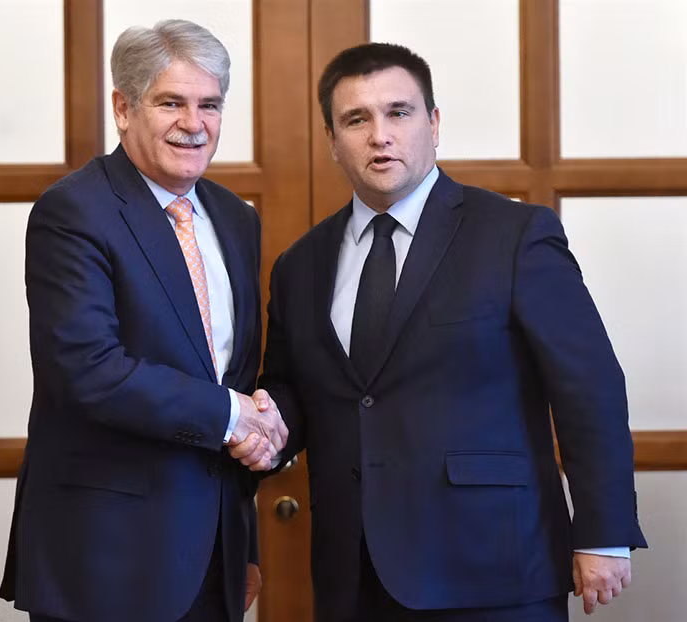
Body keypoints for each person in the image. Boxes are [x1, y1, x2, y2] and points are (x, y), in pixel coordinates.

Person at [237, 42, 647, 621]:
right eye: (356, 119)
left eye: (398, 113)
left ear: (433, 124)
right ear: (332, 139)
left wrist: (603, 533)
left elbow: (589, 384)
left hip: (494, 567)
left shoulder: (514, 234)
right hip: (353, 573)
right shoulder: (299, 265)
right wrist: (263, 423)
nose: (380, 136)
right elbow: (292, 390)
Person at [0, 19, 287, 622]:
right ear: (123, 109)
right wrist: (235, 415)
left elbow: (233, 374)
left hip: (214, 556)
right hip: (108, 559)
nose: (194, 123)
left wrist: (244, 544)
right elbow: (89, 372)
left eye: (210, 104)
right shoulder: (73, 211)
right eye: (171, 102)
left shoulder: (236, 218)